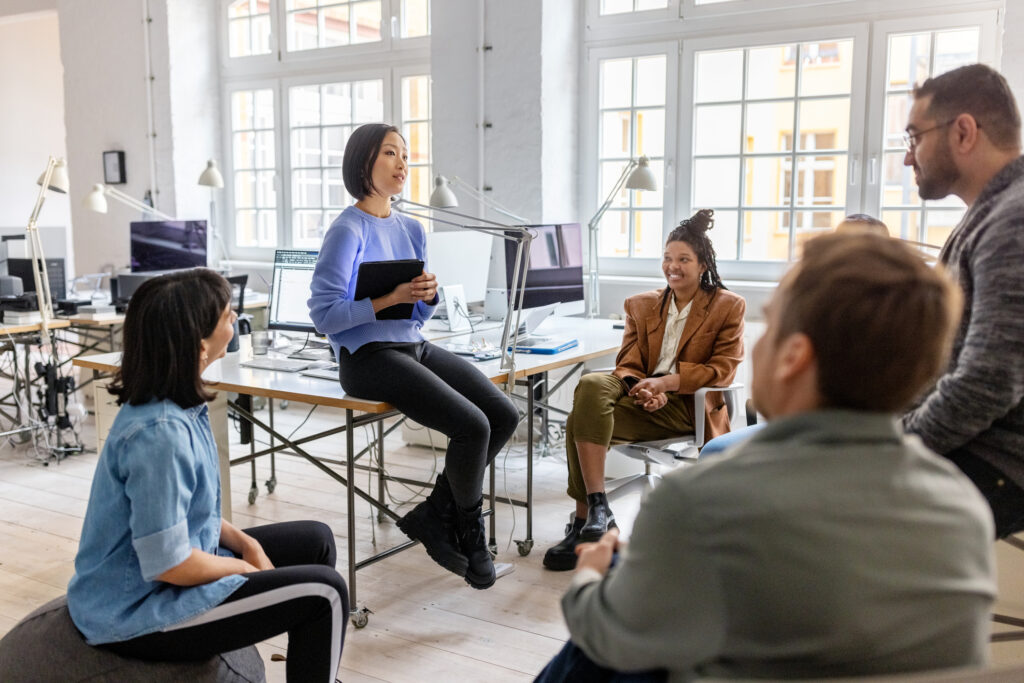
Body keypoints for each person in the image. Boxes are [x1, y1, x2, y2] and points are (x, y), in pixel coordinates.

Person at [536, 233, 995, 682]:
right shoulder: (964, 508)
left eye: (771, 324)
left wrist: (591, 577)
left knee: (603, 615)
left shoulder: (697, 501)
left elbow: (608, 639)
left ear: (793, 356)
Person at [67, 270, 348, 683]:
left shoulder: (175, 404)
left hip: (166, 575)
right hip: (138, 610)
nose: (235, 320)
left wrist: (247, 544)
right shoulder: (159, 434)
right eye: (228, 316)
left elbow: (191, 511)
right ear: (199, 344)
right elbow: (170, 563)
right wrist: (242, 571)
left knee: (316, 540)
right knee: (325, 592)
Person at [308, 123, 519, 590]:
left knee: (503, 414)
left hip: (411, 344)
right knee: (473, 426)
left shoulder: (411, 228)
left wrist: (426, 296)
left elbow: (418, 316)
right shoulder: (347, 230)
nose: (403, 164)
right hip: (366, 358)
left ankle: (434, 514)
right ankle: (469, 531)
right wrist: (390, 298)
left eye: (405, 155)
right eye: (390, 153)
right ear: (365, 163)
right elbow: (323, 315)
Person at [543, 209, 745, 571]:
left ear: (702, 265)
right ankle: (599, 508)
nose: (673, 267)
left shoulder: (727, 306)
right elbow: (628, 363)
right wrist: (642, 389)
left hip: (687, 408)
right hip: (641, 396)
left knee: (577, 420)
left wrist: (666, 384)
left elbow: (723, 368)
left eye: (684, 259)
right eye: (668, 259)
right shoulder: (641, 304)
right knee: (590, 384)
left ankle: (585, 521)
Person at [898, 63, 1024, 539]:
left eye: (914, 137)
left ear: (964, 132)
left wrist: (899, 444)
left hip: (996, 461)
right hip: (967, 443)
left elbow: (989, 382)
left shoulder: (1013, 222)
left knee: (806, 516)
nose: (909, 158)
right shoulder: (991, 214)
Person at [699, 212, 892, 458]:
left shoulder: (888, 317)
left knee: (717, 453)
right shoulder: (814, 299)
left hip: (841, 428)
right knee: (714, 451)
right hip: (799, 420)